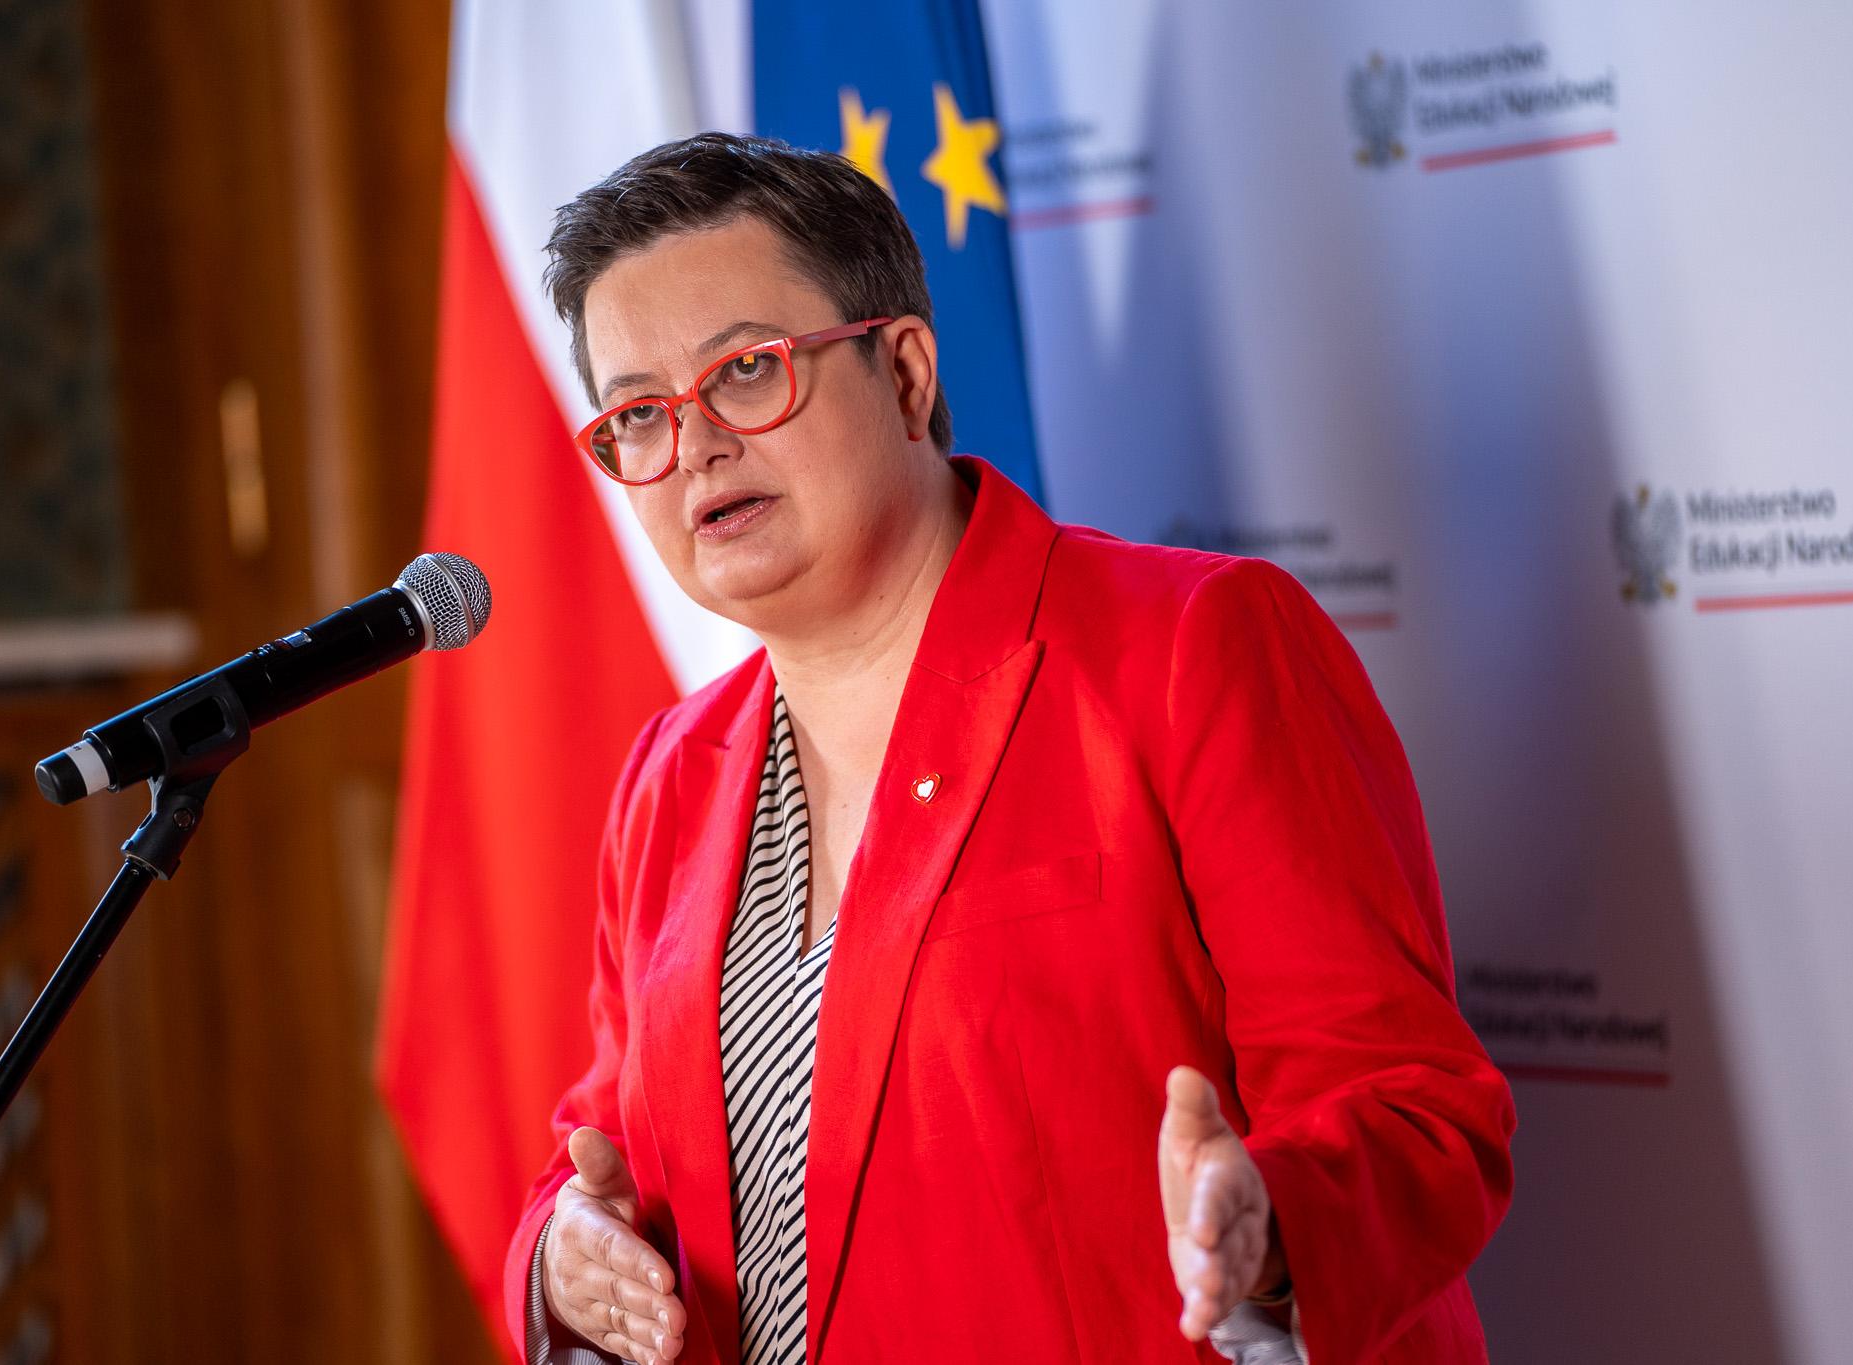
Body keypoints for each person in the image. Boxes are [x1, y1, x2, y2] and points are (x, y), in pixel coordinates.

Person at [501, 133, 1514, 1365]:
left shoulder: (1191, 647)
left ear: (903, 371)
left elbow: (1414, 1110)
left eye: (747, 371)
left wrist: (1269, 1224)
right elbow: (600, 1147)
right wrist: (560, 1254)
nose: (696, 445)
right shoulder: (666, 775)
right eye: (637, 416)